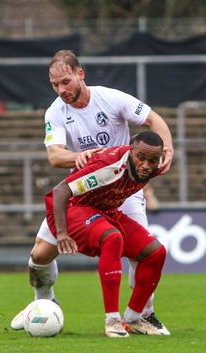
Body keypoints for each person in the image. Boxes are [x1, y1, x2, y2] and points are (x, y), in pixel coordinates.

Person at [10, 49, 174, 335]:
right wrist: (80, 156)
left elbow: (153, 120)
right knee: (39, 257)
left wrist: (168, 147)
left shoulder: (110, 98)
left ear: (80, 74)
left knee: (143, 252)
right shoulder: (56, 112)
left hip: (123, 191)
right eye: (55, 85)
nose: (61, 90)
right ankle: (44, 304)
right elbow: (54, 156)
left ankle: (142, 315)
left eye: (66, 82)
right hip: (83, 191)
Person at [47, 131, 167, 337]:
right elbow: (60, 191)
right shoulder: (109, 167)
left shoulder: (157, 165)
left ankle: (133, 317)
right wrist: (61, 233)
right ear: (130, 151)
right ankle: (112, 321)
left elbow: (161, 155)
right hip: (74, 208)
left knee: (156, 252)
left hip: (105, 210)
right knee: (112, 238)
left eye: (152, 160)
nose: (146, 165)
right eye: (141, 158)